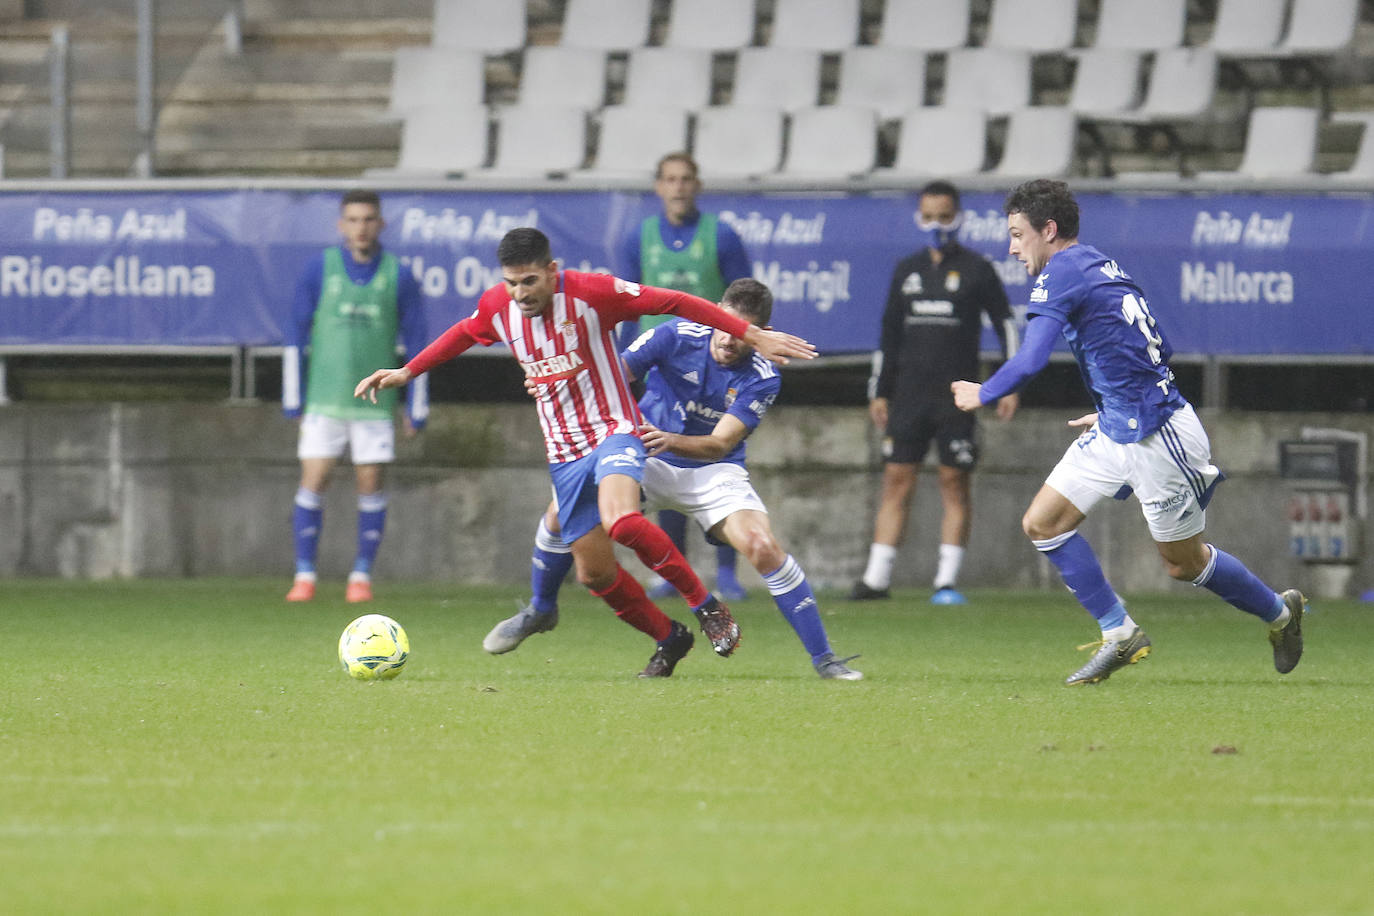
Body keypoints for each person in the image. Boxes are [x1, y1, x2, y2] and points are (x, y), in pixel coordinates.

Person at [355, 228, 817, 660]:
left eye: (530, 281)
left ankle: (704, 604)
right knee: (593, 572)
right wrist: (407, 371)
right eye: (512, 283)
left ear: (553, 270)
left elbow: (673, 300)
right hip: (564, 448)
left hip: (616, 428)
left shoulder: (594, 293)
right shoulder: (500, 306)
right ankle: (660, 635)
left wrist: (750, 333)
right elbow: (462, 333)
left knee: (621, 520)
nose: (521, 293)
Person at [951, 179, 1306, 685]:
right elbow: (1148, 343)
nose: (1011, 247)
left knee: (1182, 563)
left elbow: (1031, 360)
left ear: (1048, 231)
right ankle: (1120, 634)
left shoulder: (1064, 272)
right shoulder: (1098, 263)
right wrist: (1113, 403)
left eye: (1016, 234)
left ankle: (1281, 614)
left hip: (1159, 435)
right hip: (1122, 422)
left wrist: (982, 393)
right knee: (1043, 523)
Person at [484, 279, 862, 680]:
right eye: (726, 326)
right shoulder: (674, 334)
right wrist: (553, 380)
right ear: (716, 313)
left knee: (762, 546)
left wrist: (671, 440)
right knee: (564, 520)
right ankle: (541, 608)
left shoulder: (764, 375)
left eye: (743, 334)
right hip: (644, 452)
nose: (730, 340)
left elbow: (719, 445)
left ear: (761, 334)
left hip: (712, 470)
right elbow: (610, 376)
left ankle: (825, 660)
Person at [850, 180, 1020, 605]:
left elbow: (1007, 326)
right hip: (908, 396)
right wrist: (880, 390)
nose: (936, 224)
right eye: (928, 216)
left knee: (954, 482)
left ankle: (945, 583)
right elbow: (888, 334)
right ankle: (876, 579)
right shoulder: (906, 269)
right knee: (896, 481)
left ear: (959, 216)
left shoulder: (979, 269)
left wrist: (1008, 383)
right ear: (918, 217)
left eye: (944, 216)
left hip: (957, 398)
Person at [283, 189, 428, 604]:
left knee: (370, 483)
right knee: (314, 479)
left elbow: (418, 345)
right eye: (353, 219)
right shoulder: (320, 269)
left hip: (375, 403)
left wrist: (415, 406)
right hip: (325, 399)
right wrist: (294, 398)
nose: (360, 227)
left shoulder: (398, 275)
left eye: (368, 219)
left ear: (380, 224)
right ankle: (305, 574)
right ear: (340, 224)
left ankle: (361, 575)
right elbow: (295, 333)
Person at [621, 152, 754, 602]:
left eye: (686, 179)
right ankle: (672, 571)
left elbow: (745, 302)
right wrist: (624, 365)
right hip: (658, 365)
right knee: (664, 456)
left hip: (716, 364)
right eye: (670, 179)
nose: (678, 187)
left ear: (697, 185)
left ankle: (727, 572)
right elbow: (622, 303)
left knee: (718, 459)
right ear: (659, 186)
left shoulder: (723, 236)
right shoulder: (638, 237)